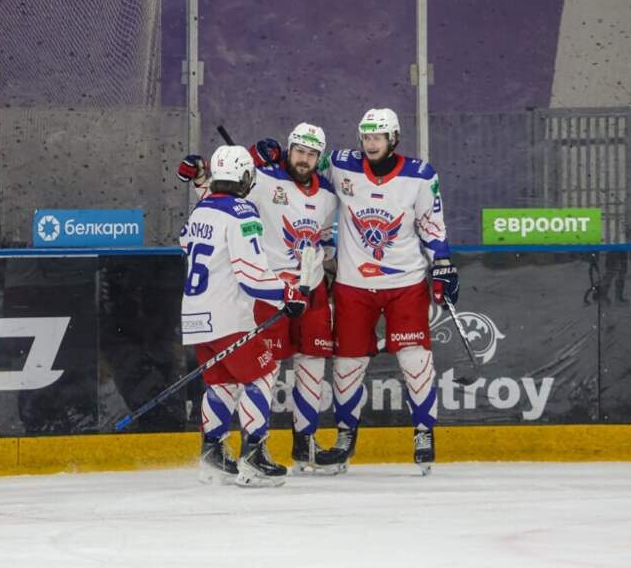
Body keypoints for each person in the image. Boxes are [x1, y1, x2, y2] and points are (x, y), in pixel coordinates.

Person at [178, 123, 342, 474]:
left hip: (207, 313)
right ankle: (254, 453)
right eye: (299, 151)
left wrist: (200, 181)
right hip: (255, 301)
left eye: (311, 154)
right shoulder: (253, 195)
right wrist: (285, 292)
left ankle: (218, 452)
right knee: (263, 373)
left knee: (231, 380)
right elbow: (251, 271)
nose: (304, 158)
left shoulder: (202, 211)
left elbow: (195, 233)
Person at [319, 107, 458, 475]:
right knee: (347, 364)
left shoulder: (420, 175)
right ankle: (345, 436)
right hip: (353, 284)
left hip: (405, 283)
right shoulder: (341, 164)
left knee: (415, 360)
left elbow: (432, 225)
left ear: (393, 138)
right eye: (366, 137)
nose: (370, 143)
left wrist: (443, 263)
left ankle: (424, 432)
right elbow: (302, 165)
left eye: (377, 137)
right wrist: (265, 160)